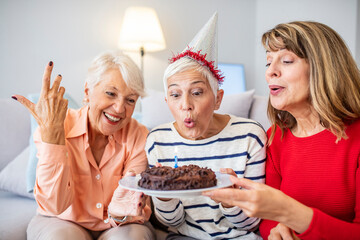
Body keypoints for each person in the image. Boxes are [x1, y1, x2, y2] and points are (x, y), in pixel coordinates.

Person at [202, 21, 360, 239]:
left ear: (324, 67)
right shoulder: (275, 137)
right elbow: (268, 221)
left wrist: (290, 213)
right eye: (268, 63)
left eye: (286, 61)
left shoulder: (356, 139)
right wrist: (277, 230)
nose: (270, 73)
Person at [145, 13, 267, 240]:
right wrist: (163, 196)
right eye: (175, 95)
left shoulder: (251, 136)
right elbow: (173, 222)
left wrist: (231, 200)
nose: (186, 106)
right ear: (166, 102)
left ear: (218, 98)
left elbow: (251, 222)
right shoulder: (157, 140)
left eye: (197, 92)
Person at [12, 51, 155, 239]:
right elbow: (54, 205)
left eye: (130, 100)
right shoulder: (55, 125)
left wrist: (119, 214)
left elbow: (132, 206)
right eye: (111, 93)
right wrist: (53, 138)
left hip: (119, 224)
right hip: (61, 219)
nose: (120, 108)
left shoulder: (139, 135)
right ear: (87, 91)